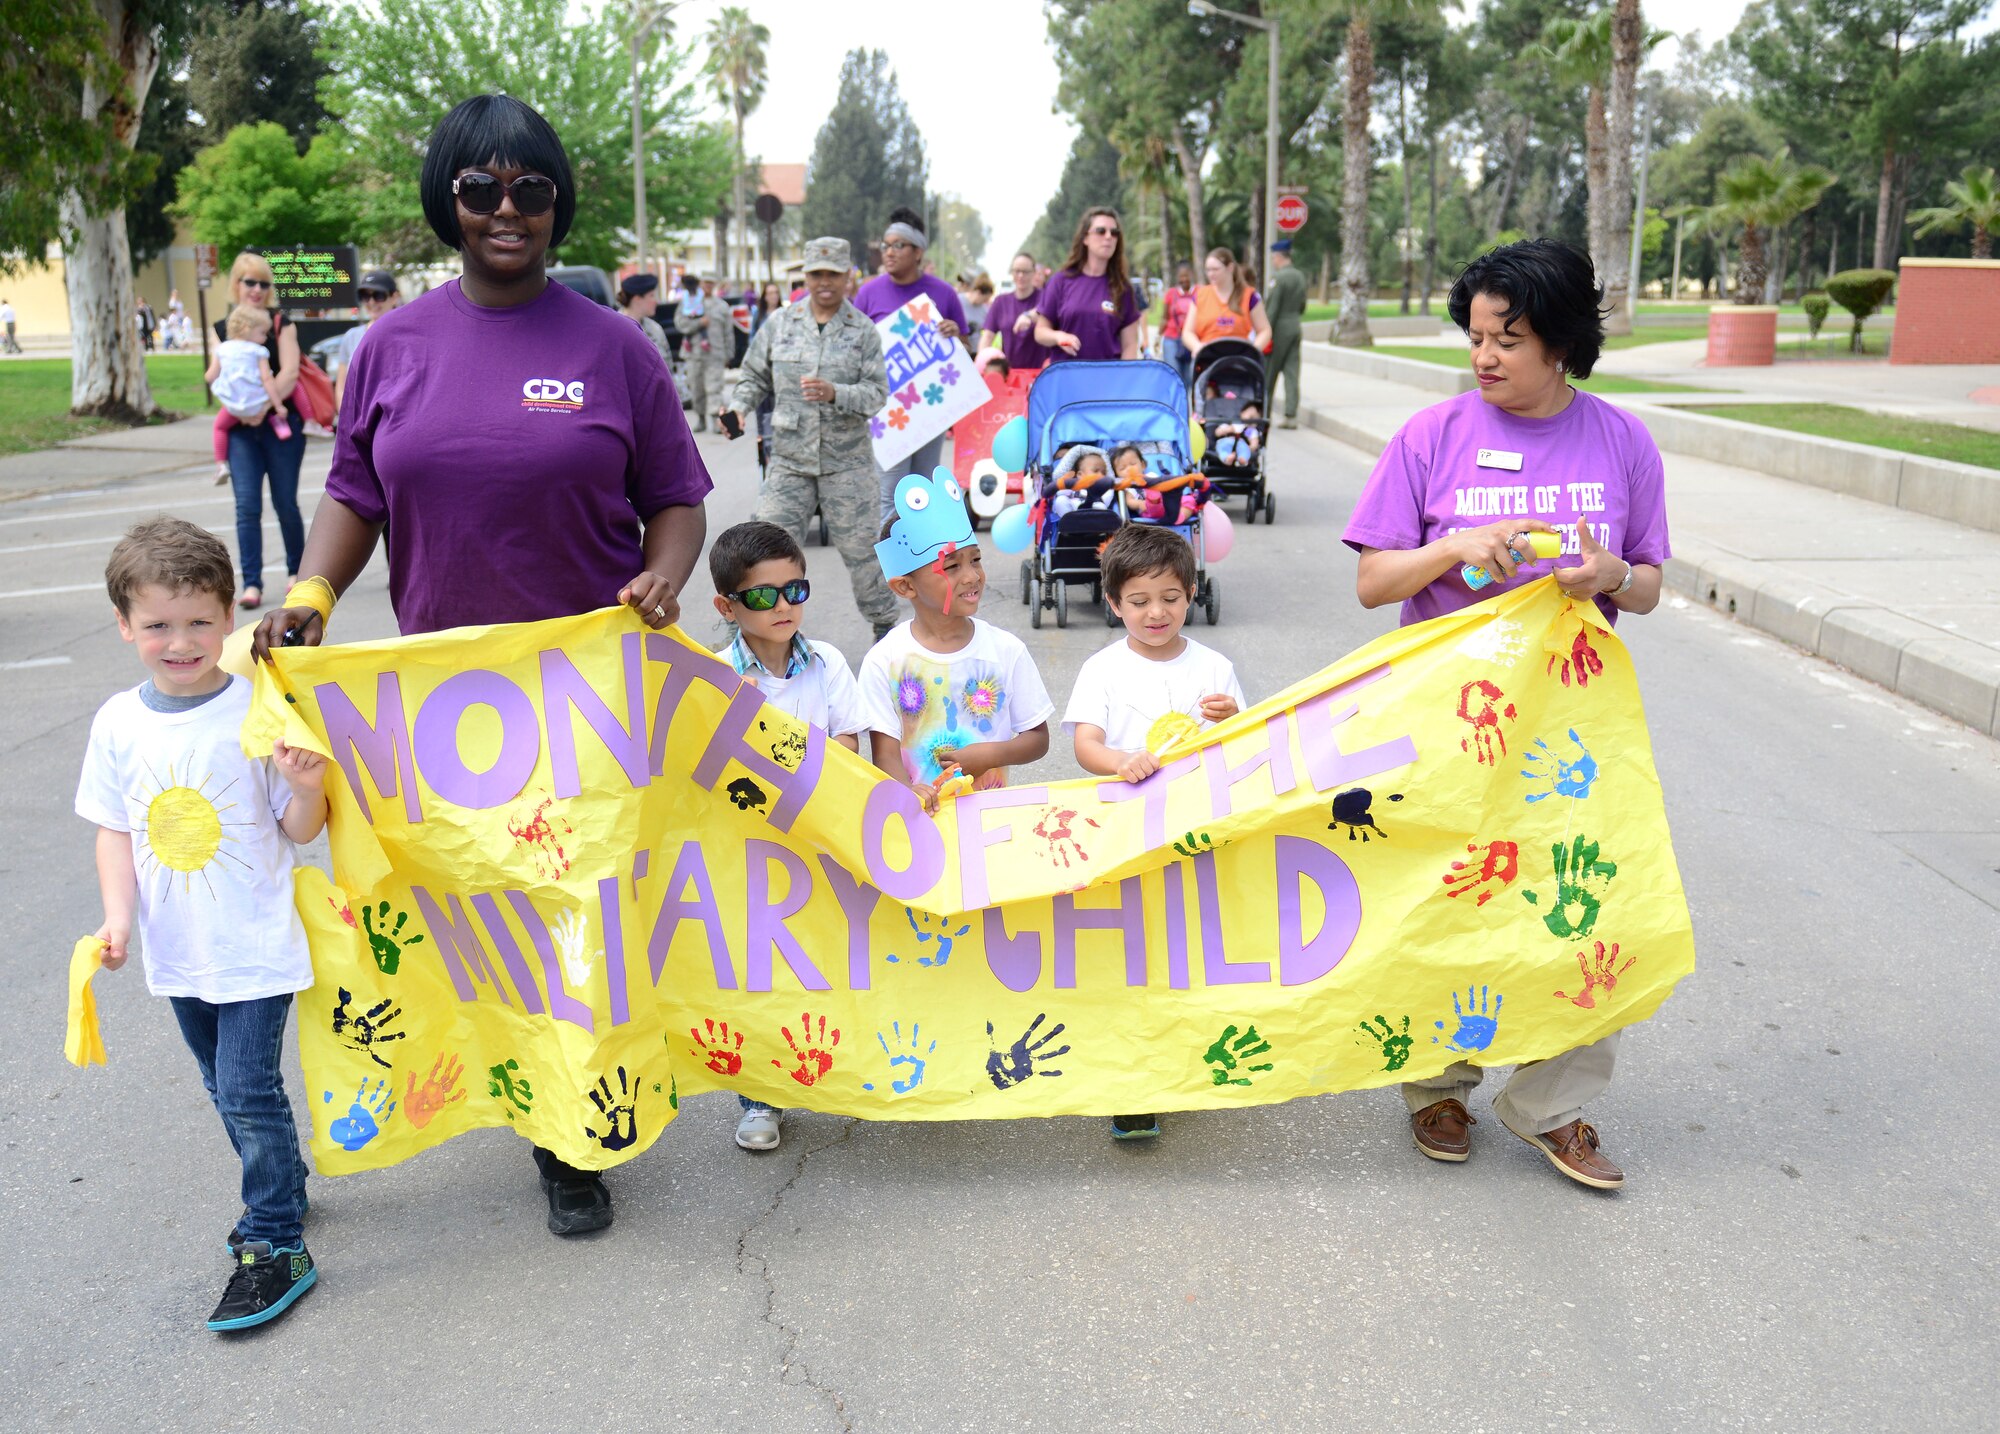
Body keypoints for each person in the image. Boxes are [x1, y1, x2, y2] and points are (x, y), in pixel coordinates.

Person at [249, 93, 711, 1238]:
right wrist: (310, 595)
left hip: (587, 695)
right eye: (481, 190)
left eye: (531, 191)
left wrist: (663, 576)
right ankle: (509, 1087)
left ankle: (571, 1137)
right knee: (478, 911)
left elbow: (676, 500)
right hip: (447, 700)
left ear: (558, 204)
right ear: (447, 203)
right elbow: (354, 492)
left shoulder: (614, 347)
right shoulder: (393, 346)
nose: (508, 211)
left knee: (579, 916)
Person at [1342, 237, 1670, 1191]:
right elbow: (1372, 581)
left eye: (1508, 339)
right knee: (1447, 895)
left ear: (1560, 343)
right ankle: (1436, 1083)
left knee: (1590, 898)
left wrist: (1612, 574)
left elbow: (1647, 583)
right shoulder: (1430, 437)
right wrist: (1457, 549)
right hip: (1447, 718)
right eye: (1478, 336)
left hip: (1570, 728)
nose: (1484, 356)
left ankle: (1549, 1104)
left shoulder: (1620, 441)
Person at [77, 517, 330, 1330]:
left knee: (250, 1088)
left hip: (256, 942)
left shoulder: (259, 709)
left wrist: (306, 786)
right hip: (179, 951)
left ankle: (276, 1238)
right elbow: (113, 827)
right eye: (156, 624)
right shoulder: (119, 722)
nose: (179, 641)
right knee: (222, 1086)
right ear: (124, 625)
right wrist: (118, 920)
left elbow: (299, 833)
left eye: (198, 621)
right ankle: (281, 1191)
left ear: (230, 617)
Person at [1065, 523, 1244, 1139]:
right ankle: (1133, 1082)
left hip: (1194, 833)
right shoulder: (1103, 668)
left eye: (1169, 596)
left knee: (1186, 949)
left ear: (1191, 592)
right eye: (1138, 601)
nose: (1156, 611)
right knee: (1130, 954)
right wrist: (1120, 762)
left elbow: (1240, 745)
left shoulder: (1214, 665)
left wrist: (1234, 719)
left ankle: (1181, 1062)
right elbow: (1086, 742)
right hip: (1124, 832)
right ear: (1113, 603)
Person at [706, 520, 868, 1151]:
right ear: (727, 606)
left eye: (794, 590)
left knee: (827, 964)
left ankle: (838, 1072)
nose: (783, 607)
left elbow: (848, 740)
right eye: (762, 596)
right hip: (749, 857)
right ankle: (760, 1098)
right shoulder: (716, 678)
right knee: (761, 977)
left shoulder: (826, 663)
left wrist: (821, 770)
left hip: (821, 846)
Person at [720, 236, 897, 638]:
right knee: (758, 550)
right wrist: (738, 408)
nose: (824, 282)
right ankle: (742, 641)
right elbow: (752, 377)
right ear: (806, 275)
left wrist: (837, 392)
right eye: (816, 273)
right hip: (790, 463)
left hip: (846, 464)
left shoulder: (862, 331)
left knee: (866, 557)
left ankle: (887, 632)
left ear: (848, 277)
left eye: (833, 274)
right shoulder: (781, 324)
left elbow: (877, 394)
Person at [861, 483, 1051, 808]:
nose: (971, 576)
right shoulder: (886, 660)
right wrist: (908, 792)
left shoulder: (1005, 650)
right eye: (951, 567)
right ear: (906, 586)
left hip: (993, 819)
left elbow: (1037, 739)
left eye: (975, 560)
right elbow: (885, 754)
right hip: (923, 821)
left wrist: (992, 753)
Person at [854, 207, 968, 522]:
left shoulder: (943, 293)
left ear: (917, 251)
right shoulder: (867, 293)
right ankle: (891, 569)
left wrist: (955, 333)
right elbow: (851, 345)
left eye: (898, 245)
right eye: (885, 245)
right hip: (886, 412)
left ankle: (924, 565)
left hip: (929, 409)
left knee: (924, 491)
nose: (888, 252)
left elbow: (965, 349)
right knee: (890, 495)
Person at [213, 251, 306, 609]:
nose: (256, 289)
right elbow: (217, 375)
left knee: (286, 502)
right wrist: (242, 411)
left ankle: (297, 573)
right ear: (236, 284)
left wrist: (260, 407)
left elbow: (289, 373)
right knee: (247, 506)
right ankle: (251, 583)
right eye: (249, 282)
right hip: (239, 429)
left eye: (263, 283)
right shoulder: (223, 328)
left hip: (279, 424)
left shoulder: (280, 322)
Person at [1033, 207, 1142, 363]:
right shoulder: (1060, 281)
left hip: (1107, 381)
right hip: (1066, 378)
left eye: (1114, 232)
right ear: (1085, 238)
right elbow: (1040, 332)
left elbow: (1130, 345)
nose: (1109, 237)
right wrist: (1058, 337)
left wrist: (1123, 380)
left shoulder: (1122, 288)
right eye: (1101, 231)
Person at [204, 304, 294, 482]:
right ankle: (283, 424)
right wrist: (277, 405)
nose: (264, 338)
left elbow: (210, 376)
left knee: (220, 427)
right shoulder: (259, 351)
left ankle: (221, 464)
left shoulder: (223, 349)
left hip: (233, 406)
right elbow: (267, 380)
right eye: (262, 333)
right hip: (257, 403)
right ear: (247, 329)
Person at [328, 270, 403, 413]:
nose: (371, 302)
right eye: (365, 296)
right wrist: (346, 418)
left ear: (394, 297)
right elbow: (342, 386)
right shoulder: (351, 336)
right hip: (359, 419)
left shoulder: (405, 336)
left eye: (379, 295)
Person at [1183, 247, 1272, 367]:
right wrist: (1197, 346)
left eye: (1215, 269)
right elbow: (1187, 332)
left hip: (1240, 360)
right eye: (1208, 270)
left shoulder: (1249, 296)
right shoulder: (1200, 295)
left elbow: (1265, 330)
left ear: (1230, 268)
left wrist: (1253, 350)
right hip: (1207, 360)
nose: (1211, 274)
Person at [675, 273, 728, 431]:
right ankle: (701, 419)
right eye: (705, 283)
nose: (708, 286)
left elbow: (728, 332)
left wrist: (729, 353)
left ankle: (718, 422)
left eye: (711, 283)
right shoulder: (688, 302)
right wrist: (699, 323)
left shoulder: (721, 306)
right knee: (696, 388)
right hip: (694, 354)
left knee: (714, 388)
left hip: (714, 353)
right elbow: (681, 324)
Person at [1264, 239, 1307, 428]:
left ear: (1279, 257)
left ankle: (1264, 414)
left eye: (1274, 257)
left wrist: (1266, 333)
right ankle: (1291, 415)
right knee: (1292, 373)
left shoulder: (1279, 278)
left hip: (1279, 329)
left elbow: (1272, 309)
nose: (1273, 261)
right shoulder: (1300, 276)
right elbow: (1303, 305)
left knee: (1269, 373)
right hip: (1295, 325)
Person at [979, 251, 1044, 375]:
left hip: (1039, 374)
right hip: (1008, 374)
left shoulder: (1045, 297)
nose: (1020, 275)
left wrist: (1029, 316)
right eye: (1016, 271)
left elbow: (1047, 311)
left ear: (1034, 273)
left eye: (1025, 271)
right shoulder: (1000, 302)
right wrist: (981, 363)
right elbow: (987, 337)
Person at [616, 272, 674, 366]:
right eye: (651, 296)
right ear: (637, 298)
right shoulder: (615, 329)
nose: (656, 301)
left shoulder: (655, 328)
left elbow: (668, 368)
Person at [1160, 263, 1197, 382]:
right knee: (1174, 375)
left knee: (1190, 377)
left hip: (1192, 339)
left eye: (1186, 276)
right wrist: (1157, 336)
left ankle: (1187, 400)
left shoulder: (1200, 292)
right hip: (1172, 338)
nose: (1184, 279)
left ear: (1192, 275)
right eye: (1181, 276)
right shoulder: (1171, 293)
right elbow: (1165, 317)